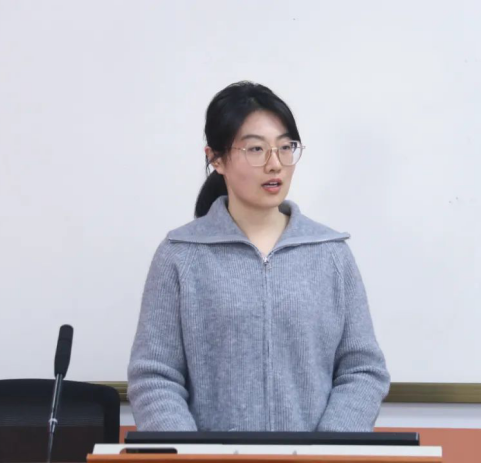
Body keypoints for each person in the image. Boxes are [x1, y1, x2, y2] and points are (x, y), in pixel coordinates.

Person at [128, 81, 390, 432]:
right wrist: (193, 454)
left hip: (316, 458)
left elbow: (363, 370)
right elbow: (154, 377)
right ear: (215, 158)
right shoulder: (180, 255)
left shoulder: (330, 253)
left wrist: (326, 448)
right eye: (256, 149)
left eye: (285, 147)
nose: (275, 164)